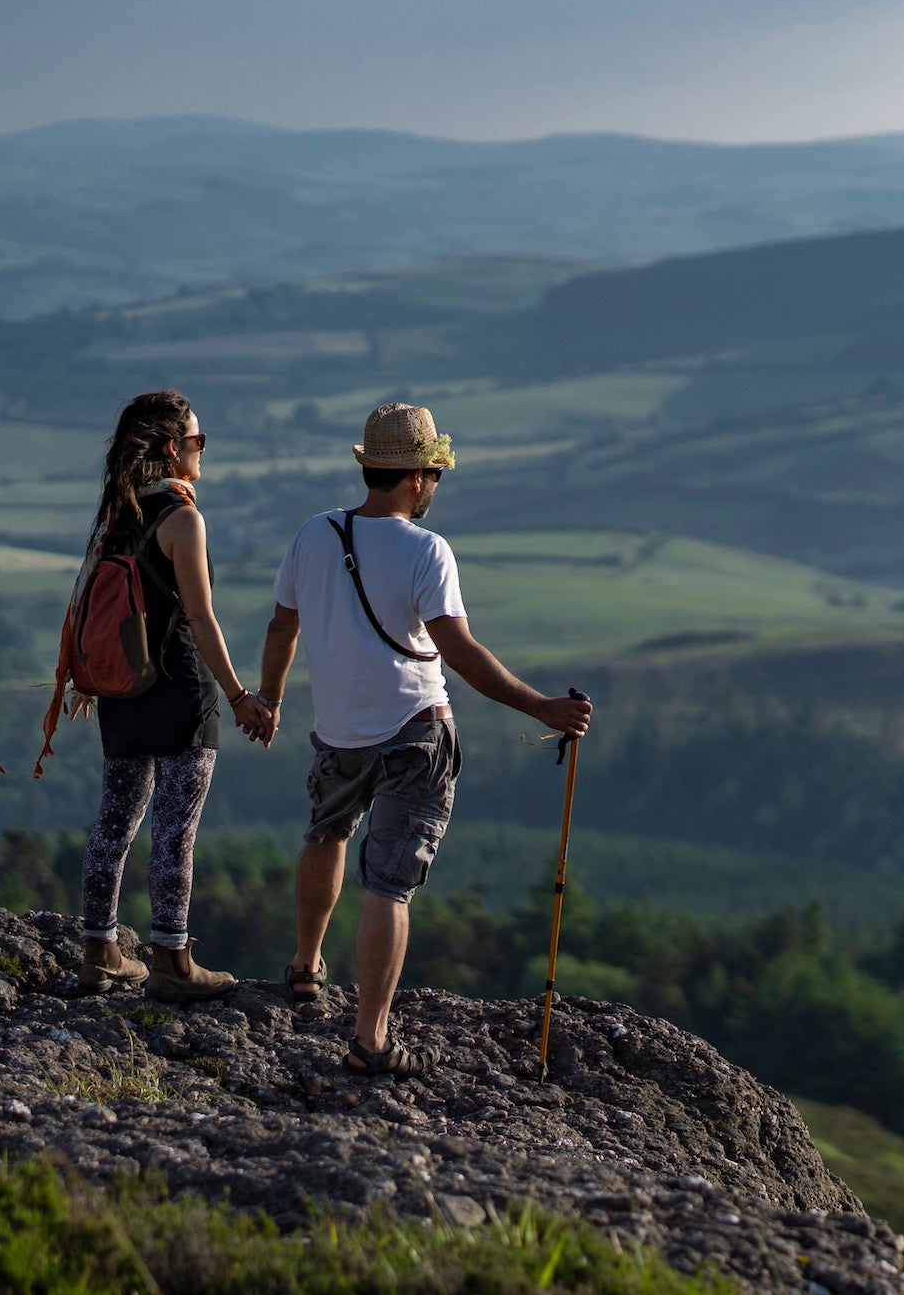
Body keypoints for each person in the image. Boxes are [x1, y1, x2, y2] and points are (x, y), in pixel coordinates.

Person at [251, 403, 591, 1075]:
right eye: (435, 473)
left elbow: (281, 627)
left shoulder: (313, 535)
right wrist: (541, 707)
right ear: (415, 477)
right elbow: (458, 653)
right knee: (390, 884)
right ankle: (372, 1039)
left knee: (326, 833)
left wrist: (269, 699)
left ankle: (305, 965)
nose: (436, 485)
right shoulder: (427, 550)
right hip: (414, 732)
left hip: (337, 731)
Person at [72, 389, 277, 997]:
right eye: (198, 440)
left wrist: (87, 677)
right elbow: (202, 618)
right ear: (172, 448)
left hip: (124, 689)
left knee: (114, 823)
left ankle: (100, 950)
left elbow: (90, 600)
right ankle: (171, 961)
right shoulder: (183, 519)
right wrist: (241, 696)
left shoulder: (118, 512)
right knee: (174, 832)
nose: (202, 451)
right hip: (182, 691)